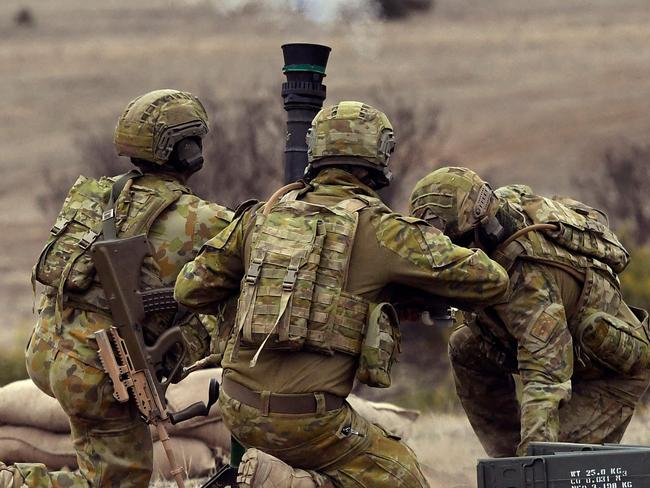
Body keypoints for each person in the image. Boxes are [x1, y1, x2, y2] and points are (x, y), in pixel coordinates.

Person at [174, 101, 510, 487]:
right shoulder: (383, 229)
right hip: (310, 422)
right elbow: (490, 280)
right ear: (378, 157)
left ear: (316, 150)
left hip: (236, 407)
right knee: (403, 477)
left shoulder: (258, 218)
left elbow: (189, 288)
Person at [0, 89, 233, 487]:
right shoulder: (205, 220)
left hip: (52, 353)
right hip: (101, 371)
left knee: (100, 465)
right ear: (189, 151)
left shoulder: (95, 197)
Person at [409, 166, 650, 457]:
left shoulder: (529, 281)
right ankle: (504, 455)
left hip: (607, 375)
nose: (452, 253)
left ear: (485, 228)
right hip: (561, 349)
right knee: (464, 346)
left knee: (552, 458)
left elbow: (546, 381)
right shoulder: (497, 210)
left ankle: (521, 464)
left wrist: (533, 462)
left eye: (457, 244)